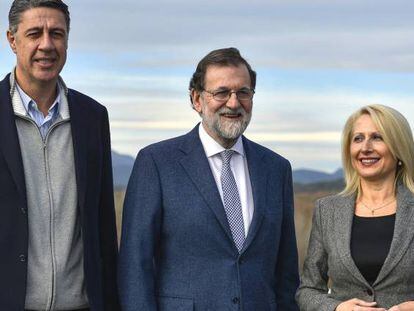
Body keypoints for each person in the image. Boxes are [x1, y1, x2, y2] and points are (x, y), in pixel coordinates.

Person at [118, 47, 299, 310]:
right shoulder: (156, 163)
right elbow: (135, 266)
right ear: (197, 99)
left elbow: (286, 272)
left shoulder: (276, 169)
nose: (234, 103)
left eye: (243, 92)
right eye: (221, 92)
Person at [0, 0, 120, 310]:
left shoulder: (93, 117)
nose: (46, 45)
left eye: (57, 33)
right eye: (34, 33)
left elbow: (103, 223)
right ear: (12, 40)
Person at [296, 104, 414, 311]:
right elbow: (307, 291)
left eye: (378, 137)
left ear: (399, 147)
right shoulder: (328, 210)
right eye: (358, 138)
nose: (365, 148)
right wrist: (339, 308)